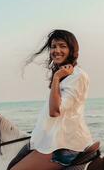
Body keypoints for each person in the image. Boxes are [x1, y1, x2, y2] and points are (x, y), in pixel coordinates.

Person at [9, 30, 93, 170]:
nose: (57, 50)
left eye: (62, 46)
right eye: (53, 46)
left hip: (65, 144)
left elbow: (55, 111)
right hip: (49, 139)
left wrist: (56, 78)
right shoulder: (64, 74)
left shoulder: (77, 76)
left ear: (72, 49)